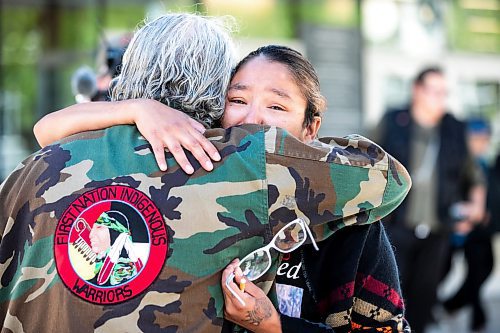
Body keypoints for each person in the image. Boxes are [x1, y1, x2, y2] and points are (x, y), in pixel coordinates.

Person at [34, 43, 411, 332]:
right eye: (238, 100)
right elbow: (47, 133)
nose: (253, 119)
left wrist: (275, 326)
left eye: (277, 108)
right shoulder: (200, 170)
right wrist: (139, 109)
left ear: (311, 127)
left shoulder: (346, 216)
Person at [372, 67, 486, 333]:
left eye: (444, 92)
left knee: (424, 296)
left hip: (438, 228)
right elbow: (365, 160)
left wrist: (476, 206)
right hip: (395, 225)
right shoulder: (393, 121)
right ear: (417, 90)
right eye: (434, 91)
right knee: (389, 294)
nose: (440, 98)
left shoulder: (454, 127)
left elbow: (474, 174)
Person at [441, 118, 495, 332]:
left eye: (485, 139)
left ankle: (461, 309)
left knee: (481, 270)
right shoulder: (455, 161)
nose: (481, 144)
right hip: (451, 230)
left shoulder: (483, 164)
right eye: (476, 139)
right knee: (440, 271)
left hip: (476, 233)